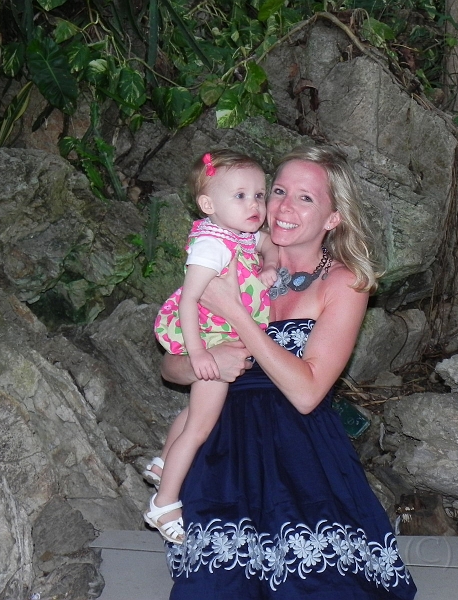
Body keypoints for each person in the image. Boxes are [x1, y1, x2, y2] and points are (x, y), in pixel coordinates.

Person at [158, 145, 417, 599]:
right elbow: (172, 366)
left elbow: (307, 393)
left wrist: (237, 316)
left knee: (317, 584)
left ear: (333, 218)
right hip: (223, 442)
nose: (283, 207)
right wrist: (208, 360)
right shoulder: (230, 254)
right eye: (278, 191)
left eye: (305, 198)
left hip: (300, 448)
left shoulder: (343, 283)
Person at [144, 149, 278, 544]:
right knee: (201, 427)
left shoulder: (240, 234)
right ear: (208, 205)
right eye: (240, 196)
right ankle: (164, 504)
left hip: (222, 333)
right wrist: (199, 353)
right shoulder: (211, 246)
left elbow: (268, 243)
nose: (254, 205)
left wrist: (270, 265)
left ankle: (163, 463)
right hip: (211, 338)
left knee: (194, 412)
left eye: (259, 195)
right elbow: (189, 299)